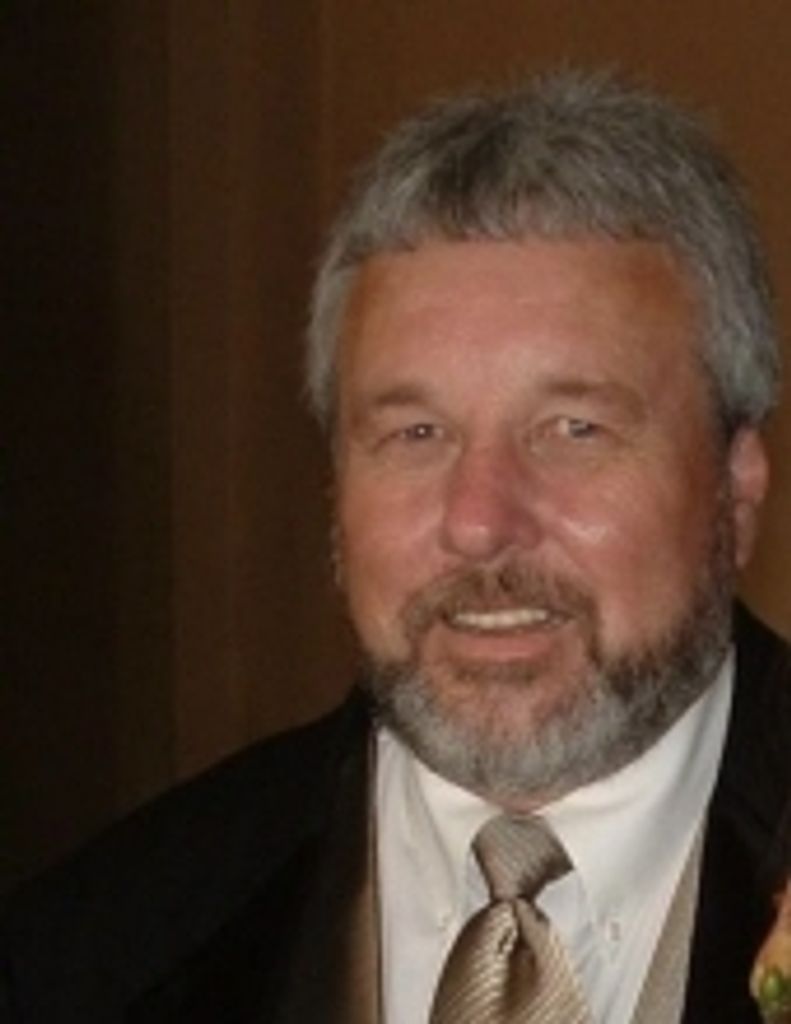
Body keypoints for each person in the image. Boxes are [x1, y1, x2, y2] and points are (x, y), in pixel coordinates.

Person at [1, 68, 790, 1024]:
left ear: (737, 484)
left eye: (572, 429)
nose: (478, 521)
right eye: (415, 434)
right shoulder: (97, 952)